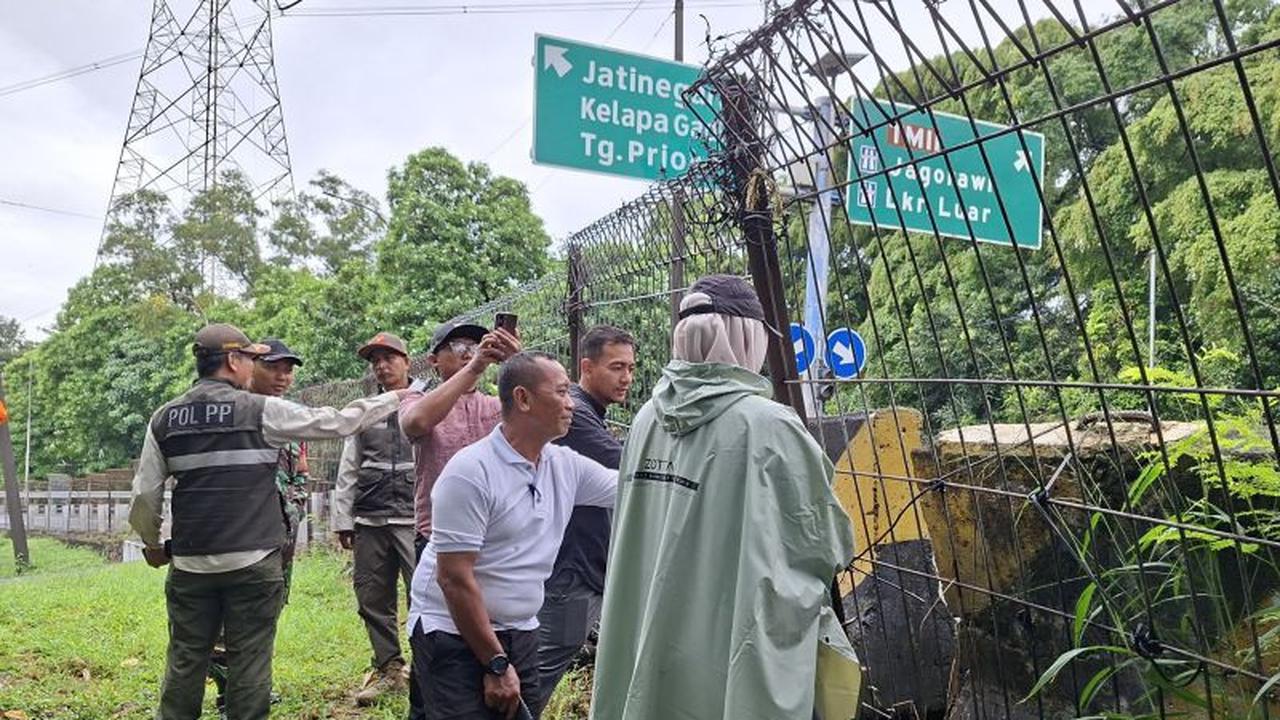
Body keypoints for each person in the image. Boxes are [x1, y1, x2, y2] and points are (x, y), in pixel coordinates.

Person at [589, 275, 862, 720]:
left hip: (651, 631)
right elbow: (827, 544)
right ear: (746, 337)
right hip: (729, 643)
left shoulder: (646, 419)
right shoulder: (769, 424)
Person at [127, 323, 412, 720]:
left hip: (190, 564)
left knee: (185, 658)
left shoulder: (164, 418)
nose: (253, 367)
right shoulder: (260, 410)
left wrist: (153, 543)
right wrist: (397, 398)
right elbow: (336, 422)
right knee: (251, 660)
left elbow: (145, 495)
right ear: (232, 360)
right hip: (254, 561)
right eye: (250, 358)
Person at [408, 352, 618, 720]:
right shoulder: (471, 472)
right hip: (451, 629)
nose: (572, 404)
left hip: (519, 628)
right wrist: (495, 664)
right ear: (523, 399)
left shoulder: (563, 466)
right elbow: (453, 578)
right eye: (562, 392)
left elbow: (631, 488)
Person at [398, 319, 521, 720]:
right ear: (435, 361)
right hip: (438, 541)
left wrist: (516, 362)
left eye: (475, 343)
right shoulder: (416, 401)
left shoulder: (493, 405)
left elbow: (541, 409)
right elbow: (417, 425)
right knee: (436, 640)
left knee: (487, 634)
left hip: (493, 542)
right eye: (458, 346)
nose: (469, 350)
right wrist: (476, 367)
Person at [532, 326, 635, 713]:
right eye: (616, 367)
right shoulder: (574, 414)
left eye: (630, 367)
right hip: (571, 571)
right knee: (535, 676)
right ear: (586, 367)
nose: (626, 377)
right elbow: (627, 468)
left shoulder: (590, 411)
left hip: (585, 566)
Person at [208, 338, 309, 716]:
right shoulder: (236, 412)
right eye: (274, 367)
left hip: (281, 532)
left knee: (267, 612)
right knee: (225, 617)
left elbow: (301, 471)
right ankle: (227, 692)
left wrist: (293, 508)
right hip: (240, 531)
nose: (283, 376)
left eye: (288, 369)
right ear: (251, 367)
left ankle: (254, 688)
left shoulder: (292, 415)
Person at [331, 332, 420, 704]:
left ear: (407, 361)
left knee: (426, 595)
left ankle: (428, 669)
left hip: (416, 518)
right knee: (372, 597)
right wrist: (343, 519)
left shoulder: (428, 402)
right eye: (375, 361)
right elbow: (348, 467)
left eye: (389, 358)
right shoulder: (364, 409)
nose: (382, 366)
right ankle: (389, 670)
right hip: (370, 519)